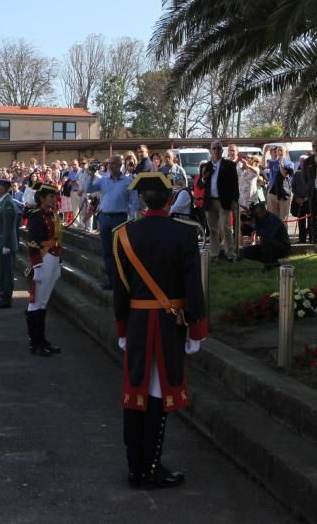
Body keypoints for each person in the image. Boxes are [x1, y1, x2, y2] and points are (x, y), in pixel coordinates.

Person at [113, 172, 207, 490]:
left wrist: (122, 328)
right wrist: (197, 330)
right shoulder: (184, 234)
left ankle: (134, 468)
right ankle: (150, 468)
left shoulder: (123, 234)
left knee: (135, 392)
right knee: (158, 394)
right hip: (171, 325)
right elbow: (194, 288)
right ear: (170, 200)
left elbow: (120, 290)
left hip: (138, 324)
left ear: (141, 199)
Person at [85, 155, 138, 290]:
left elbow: (134, 201)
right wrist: (91, 174)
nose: (112, 165)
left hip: (119, 219)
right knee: (107, 251)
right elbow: (89, 189)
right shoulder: (103, 180)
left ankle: (122, 279)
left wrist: (131, 218)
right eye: (110, 163)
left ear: (120, 164)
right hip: (104, 217)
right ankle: (111, 280)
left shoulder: (128, 180)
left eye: (115, 163)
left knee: (119, 251)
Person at [26, 182, 63, 356]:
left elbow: (58, 238)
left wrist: (59, 262)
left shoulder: (52, 215)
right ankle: (35, 343)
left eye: (54, 196)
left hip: (53, 258)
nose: (54, 199)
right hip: (43, 258)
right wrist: (37, 265)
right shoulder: (36, 215)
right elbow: (33, 241)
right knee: (36, 303)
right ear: (42, 199)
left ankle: (42, 340)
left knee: (43, 302)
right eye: (50, 196)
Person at [201, 141, 239, 262]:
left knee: (226, 228)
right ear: (211, 151)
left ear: (222, 151)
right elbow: (200, 185)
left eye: (218, 148)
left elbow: (234, 185)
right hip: (210, 202)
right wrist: (203, 178)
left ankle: (230, 255)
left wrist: (234, 200)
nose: (216, 150)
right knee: (213, 230)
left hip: (224, 202)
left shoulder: (229, 165)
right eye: (214, 148)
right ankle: (214, 255)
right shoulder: (206, 166)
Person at [0, 178, 18, 309]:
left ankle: (6, 298)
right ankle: (3, 292)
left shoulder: (8, 203)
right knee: (2, 270)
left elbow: (9, 227)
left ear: (6, 188)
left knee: (6, 272)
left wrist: (6, 245)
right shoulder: (3, 202)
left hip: (5, 244)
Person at [240, 199, 292, 269]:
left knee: (265, 239)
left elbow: (267, 234)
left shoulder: (272, 219)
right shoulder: (258, 218)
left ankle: (268, 265)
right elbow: (249, 231)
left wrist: (254, 225)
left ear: (264, 210)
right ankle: (273, 262)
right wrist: (247, 225)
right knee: (246, 252)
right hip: (268, 247)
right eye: (255, 214)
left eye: (258, 213)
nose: (257, 215)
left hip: (283, 248)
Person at [265, 146, 294, 220]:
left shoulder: (290, 164)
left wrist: (281, 163)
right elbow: (263, 166)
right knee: (273, 218)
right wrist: (265, 152)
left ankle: (283, 232)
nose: (279, 152)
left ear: (286, 152)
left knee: (283, 219)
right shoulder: (272, 162)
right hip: (272, 192)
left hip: (283, 193)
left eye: (281, 150)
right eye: (278, 151)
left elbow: (284, 174)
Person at [289, 156, 312, 243]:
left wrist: (306, 198)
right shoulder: (297, 174)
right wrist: (298, 197)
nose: (303, 163)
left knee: (311, 220)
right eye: (301, 161)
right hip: (299, 200)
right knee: (301, 221)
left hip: (309, 200)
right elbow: (293, 187)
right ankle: (302, 239)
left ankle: (311, 237)